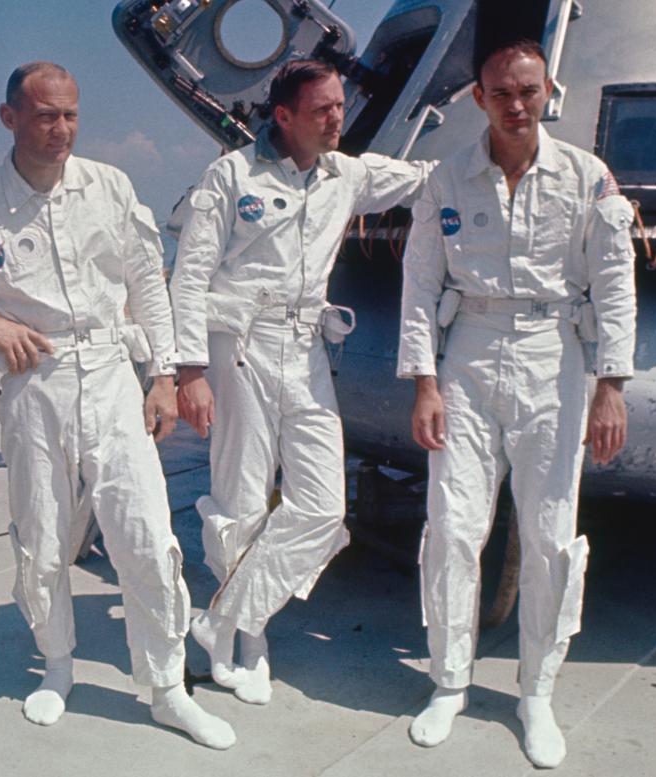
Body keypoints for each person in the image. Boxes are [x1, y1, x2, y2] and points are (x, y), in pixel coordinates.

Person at [0, 62, 235, 749]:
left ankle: (167, 686)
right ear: (9, 117)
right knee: (42, 535)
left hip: (111, 374)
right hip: (33, 384)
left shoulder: (109, 186)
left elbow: (148, 283)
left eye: (71, 114)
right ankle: (58, 664)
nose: (61, 129)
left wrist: (163, 375)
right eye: (46, 115)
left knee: (142, 531)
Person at [397, 40, 637, 767]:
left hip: (552, 351)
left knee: (548, 533)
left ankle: (536, 692)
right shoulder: (447, 178)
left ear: (549, 91)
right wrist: (425, 381)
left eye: (528, 91)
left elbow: (617, 284)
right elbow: (417, 284)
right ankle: (449, 681)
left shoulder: (585, 176)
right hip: (469, 348)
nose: (515, 104)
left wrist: (611, 386)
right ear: (479, 97)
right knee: (453, 525)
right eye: (501, 92)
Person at [172, 58, 433, 705]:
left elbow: (430, 178)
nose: (337, 119)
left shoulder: (348, 174)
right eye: (322, 110)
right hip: (241, 347)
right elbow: (190, 274)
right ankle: (244, 643)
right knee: (239, 499)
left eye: (340, 106)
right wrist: (188, 372)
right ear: (283, 116)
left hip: (307, 347)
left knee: (321, 506)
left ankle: (223, 620)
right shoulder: (230, 177)